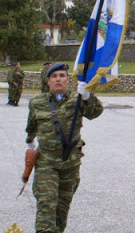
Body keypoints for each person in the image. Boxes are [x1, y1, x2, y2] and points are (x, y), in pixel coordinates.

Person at [25, 62, 103, 232]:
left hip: (70, 164)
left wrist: (88, 95)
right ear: (48, 82)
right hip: (47, 162)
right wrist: (29, 142)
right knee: (46, 204)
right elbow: (31, 126)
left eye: (62, 76)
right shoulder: (37, 102)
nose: (58, 79)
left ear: (68, 80)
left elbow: (95, 113)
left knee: (61, 210)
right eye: (54, 76)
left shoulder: (78, 99)